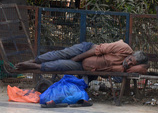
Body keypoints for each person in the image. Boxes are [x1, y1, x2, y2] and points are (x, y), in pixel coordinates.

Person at [15, 40, 149, 73]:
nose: (129, 63)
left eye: (132, 64)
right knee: (62, 54)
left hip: (83, 65)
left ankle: (33, 66)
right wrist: (77, 57)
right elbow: (98, 49)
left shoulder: (125, 67)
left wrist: (139, 67)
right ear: (131, 55)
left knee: (60, 65)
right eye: (131, 60)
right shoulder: (123, 48)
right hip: (85, 50)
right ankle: (33, 60)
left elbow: (145, 67)